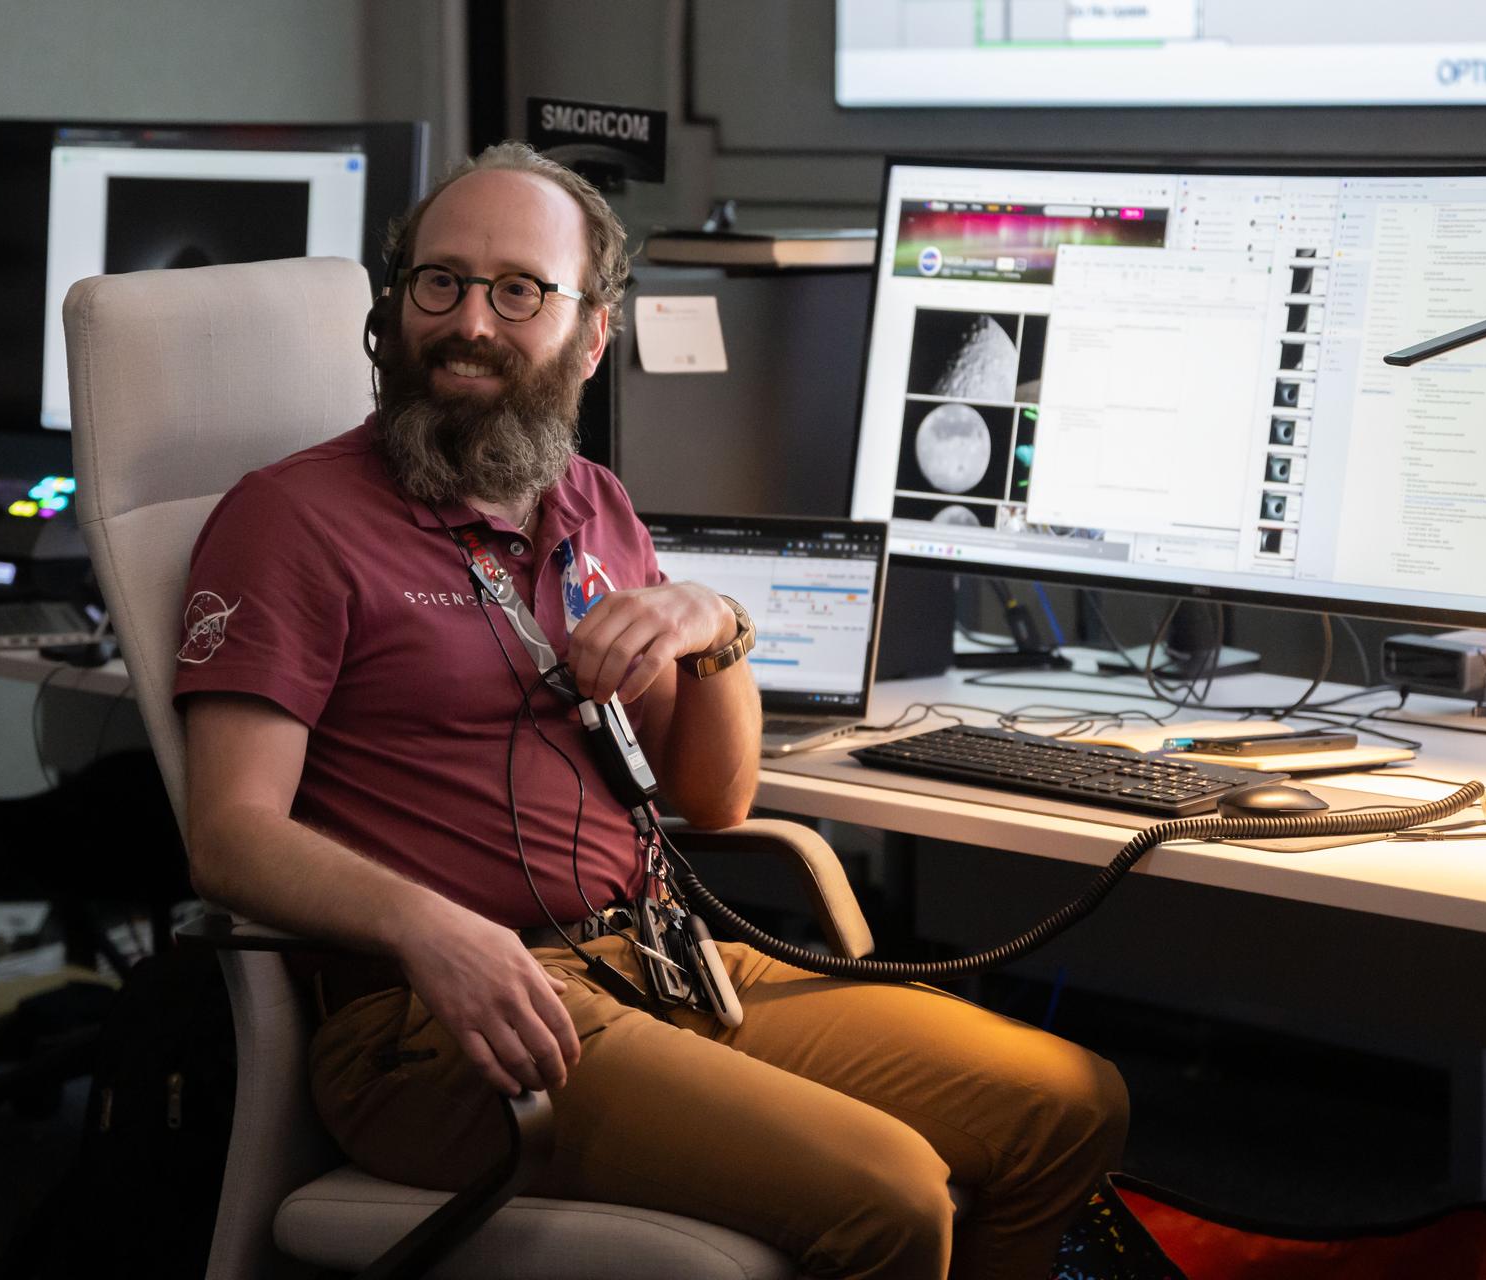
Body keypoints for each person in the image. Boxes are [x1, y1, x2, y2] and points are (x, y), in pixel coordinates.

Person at [176, 140, 1128, 1280]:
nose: (471, 319)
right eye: (441, 282)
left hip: (659, 961)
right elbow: (230, 834)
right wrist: (427, 925)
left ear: (591, 333)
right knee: (890, 1194)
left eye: (519, 289)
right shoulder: (292, 518)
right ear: (394, 312)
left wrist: (714, 626)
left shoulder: (591, 503)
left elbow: (709, 795)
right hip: (433, 1019)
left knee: (1069, 1102)